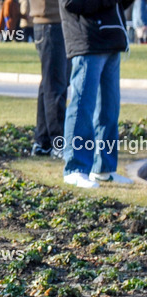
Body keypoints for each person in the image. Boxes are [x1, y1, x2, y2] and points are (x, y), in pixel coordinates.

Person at [60, 0, 134, 187]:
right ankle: (75, 168)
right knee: (82, 106)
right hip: (87, 39)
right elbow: (71, 3)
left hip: (111, 39)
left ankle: (103, 168)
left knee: (109, 109)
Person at [31, 0, 66, 156]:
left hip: (49, 22)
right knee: (54, 85)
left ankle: (43, 141)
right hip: (52, 22)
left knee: (49, 84)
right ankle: (57, 142)